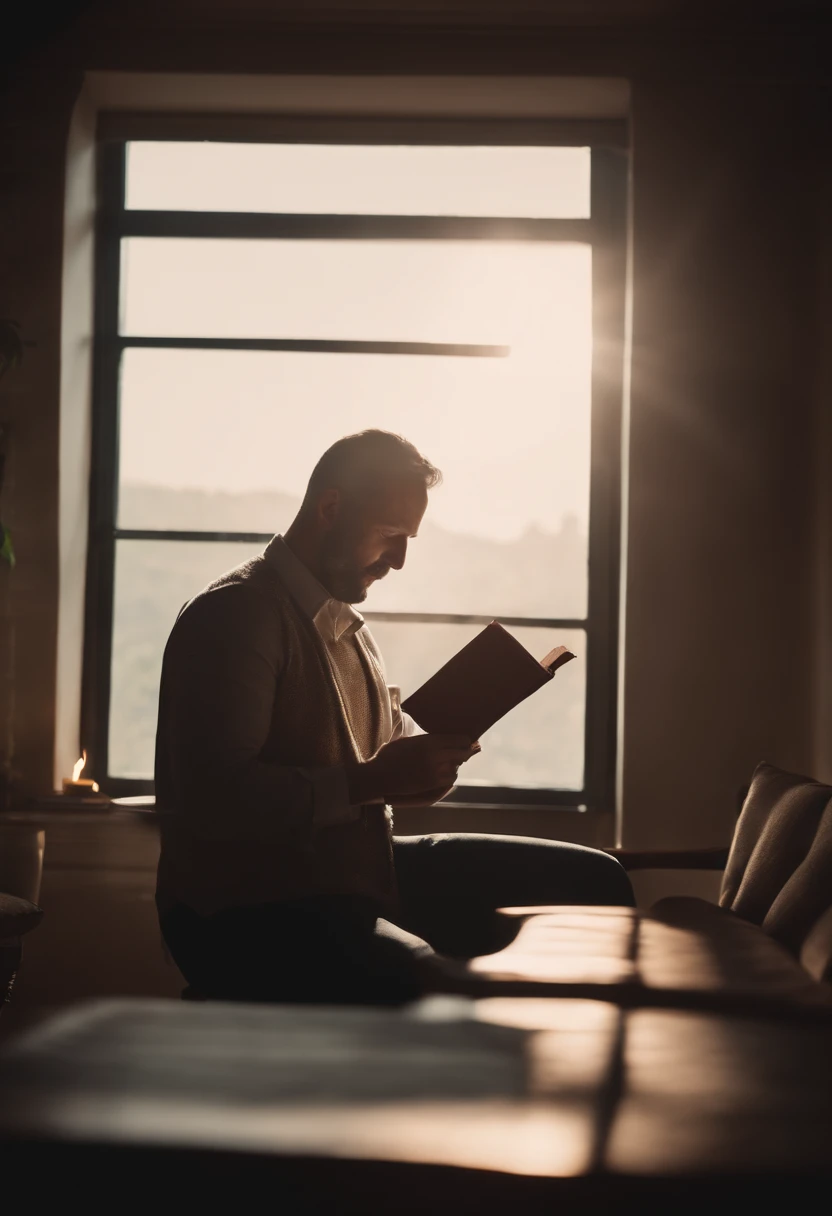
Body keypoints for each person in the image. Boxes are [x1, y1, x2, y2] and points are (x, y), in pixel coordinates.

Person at [154, 429, 634, 1004]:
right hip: (247, 910)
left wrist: (422, 767)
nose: (401, 561)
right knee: (431, 982)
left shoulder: (347, 627)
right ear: (330, 508)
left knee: (593, 879)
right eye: (390, 535)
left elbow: (373, 758)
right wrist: (377, 781)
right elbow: (216, 800)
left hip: (353, 872)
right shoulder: (235, 616)